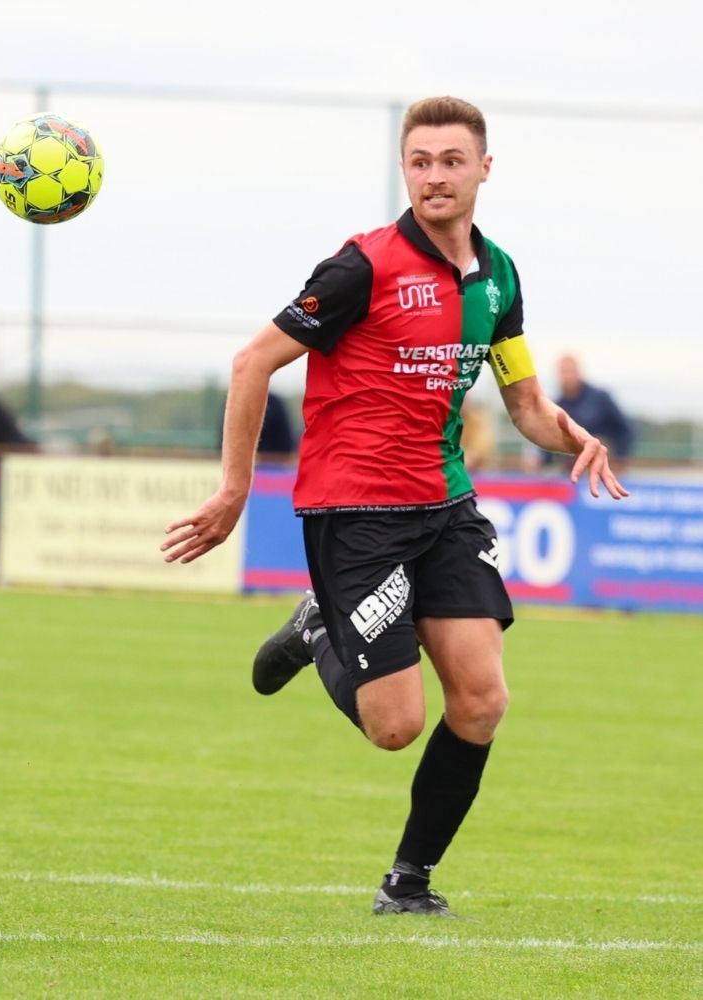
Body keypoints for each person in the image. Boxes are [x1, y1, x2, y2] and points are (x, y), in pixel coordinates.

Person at [161, 96, 628, 918]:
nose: (435, 176)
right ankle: (320, 626)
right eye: (420, 162)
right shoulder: (361, 267)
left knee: (482, 701)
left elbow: (524, 405)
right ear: (404, 170)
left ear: (484, 169)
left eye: (451, 160)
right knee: (395, 726)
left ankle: (408, 882)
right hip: (357, 513)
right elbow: (252, 362)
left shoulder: (499, 276)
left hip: (447, 506)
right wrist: (234, 489)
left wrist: (575, 436)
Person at [542, 354, 634, 470]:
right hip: (571, 469)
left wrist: (620, 458)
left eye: (570, 371)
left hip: (604, 464)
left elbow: (625, 430)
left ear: (579, 372)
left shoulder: (600, 398)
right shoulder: (556, 406)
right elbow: (549, 442)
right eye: (563, 372)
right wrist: (543, 460)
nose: (568, 376)